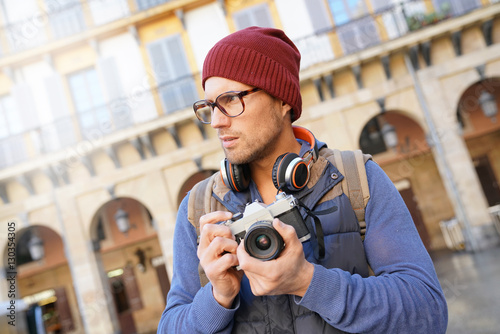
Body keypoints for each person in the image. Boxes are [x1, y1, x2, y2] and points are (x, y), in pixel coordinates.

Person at [157, 26, 447, 333]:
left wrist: (308, 282)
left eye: (230, 100)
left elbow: (427, 312)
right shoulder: (199, 209)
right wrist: (218, 297)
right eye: (210, 107)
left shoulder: (357, 179)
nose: (216, 121)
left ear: (282, 100)